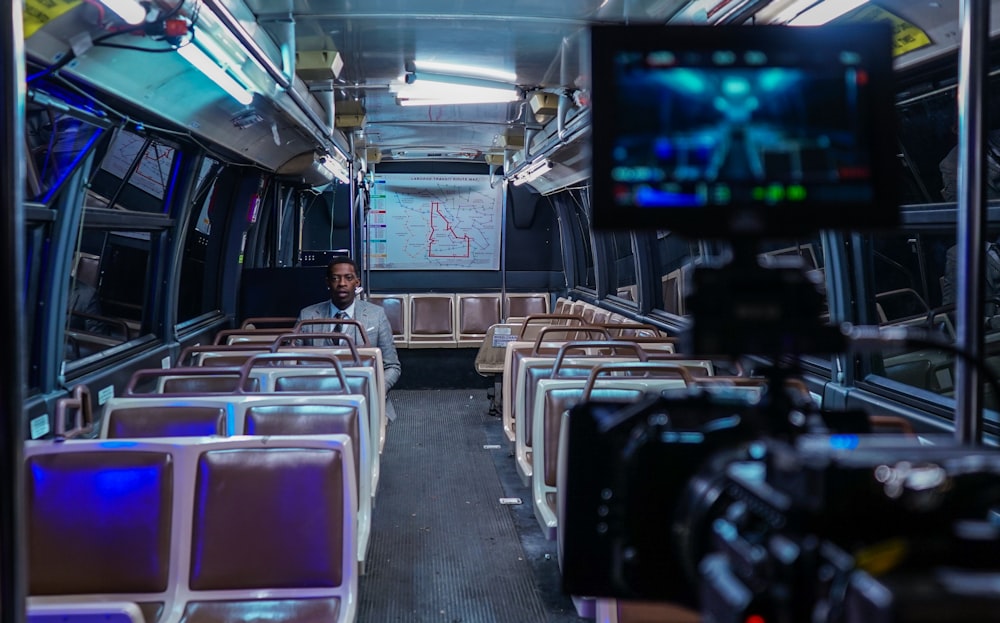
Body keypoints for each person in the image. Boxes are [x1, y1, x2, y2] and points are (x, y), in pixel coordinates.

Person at [297, 256, 402, 391]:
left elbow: (392, 366)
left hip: (366, 391)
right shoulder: (307, 316)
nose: (342, 283)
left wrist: (376, 390)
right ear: (327, 283)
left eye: (348, 278)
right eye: (335, 278)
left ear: (357, 282)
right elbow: (290, 362)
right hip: (316, 392)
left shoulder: (376, 315)